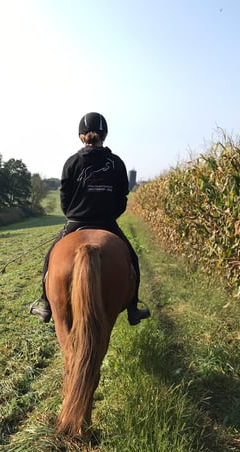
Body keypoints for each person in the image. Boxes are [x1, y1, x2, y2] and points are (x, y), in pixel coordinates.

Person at [29, 112, 151, 326]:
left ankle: (45, 302)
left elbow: (65, 198)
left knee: (50, 258)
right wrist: (111, 214)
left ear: (80, 136)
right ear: (105, 135)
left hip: (76, 222)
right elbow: (122, 196)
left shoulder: (72, 162)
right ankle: (134, 307)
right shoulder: (116, 163)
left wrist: (73, 214)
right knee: (132, 258)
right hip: (107, 223)